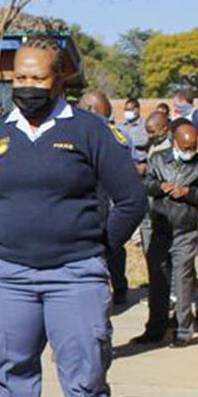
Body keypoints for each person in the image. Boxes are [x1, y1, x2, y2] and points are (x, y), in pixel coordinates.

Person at [0, 40, 146, 397]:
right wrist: (15, 240)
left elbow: (130, 199)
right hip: (11, 277)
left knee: (85, 378)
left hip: (76, 277)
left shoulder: (89, 130)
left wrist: (94, 248)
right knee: (12, 378)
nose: (27, 87)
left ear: (60, 79)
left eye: (38, 78)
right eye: (19, 78)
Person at [132, 121, 198, 346]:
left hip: (185, 229)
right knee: (157, 280)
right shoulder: (157, 159)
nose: (188, 152)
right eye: (184, 147)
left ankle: (183, 330)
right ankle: (155, 328)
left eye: (192, 147)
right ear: (175, 142)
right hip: (160, 228)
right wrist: (161, 187)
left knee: (183, 281)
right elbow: (146, 185)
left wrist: (188, 192)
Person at [78, 90, 135, 305]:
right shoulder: (120, 135)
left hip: (95, 207)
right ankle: (118, 287)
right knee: (114, 251)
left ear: (91, 110)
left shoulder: (84, 132)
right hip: (112, 208)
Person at [119, 98, 150, 172]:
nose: (127, 112)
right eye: (126, 110)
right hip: (124, 165)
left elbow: (144, 141)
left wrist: (125, 141)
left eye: (129, 109)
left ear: (137, 109)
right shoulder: (121, 126)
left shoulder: (145, 125)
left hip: (140, 165)